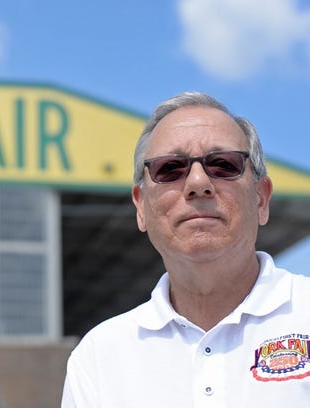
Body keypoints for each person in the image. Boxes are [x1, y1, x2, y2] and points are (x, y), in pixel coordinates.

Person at [61, 91, 310, 407]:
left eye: (222, 164)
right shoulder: (98, 356)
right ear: (141, 207)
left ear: (260, 198)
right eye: (169, 168)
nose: (197, 182)